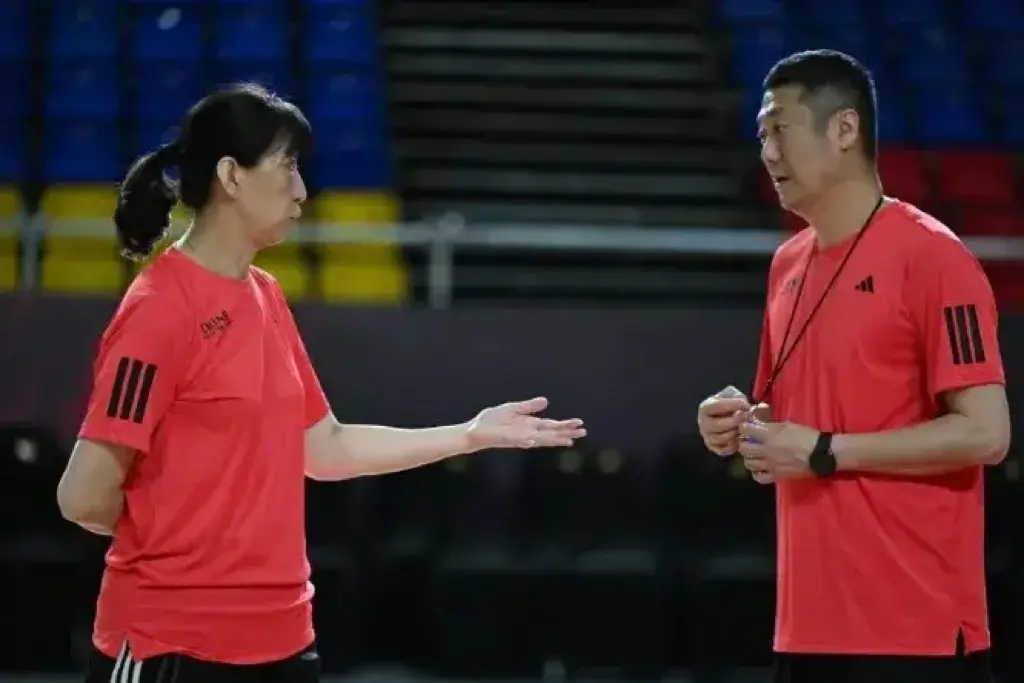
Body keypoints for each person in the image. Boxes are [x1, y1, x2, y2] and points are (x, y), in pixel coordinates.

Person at [56, 83, 587, 683]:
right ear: (231, 176)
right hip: (171, 647)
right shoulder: (158, 309)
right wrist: (184, 539)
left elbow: (323, 447)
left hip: (284, 642)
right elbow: (83, 496)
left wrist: (468, 434)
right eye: (287, 167)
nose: (302, 190)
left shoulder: (266, 296)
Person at [696, 51, 1009, 683]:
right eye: (760, 136)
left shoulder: (935, 257)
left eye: (780, 130)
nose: (767, 153)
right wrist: (737, 424)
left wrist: (823, 451)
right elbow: (790, 422)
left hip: (914, 632)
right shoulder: (786, 264)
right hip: (806, 627)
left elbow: (987, 433)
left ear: (844, 129)